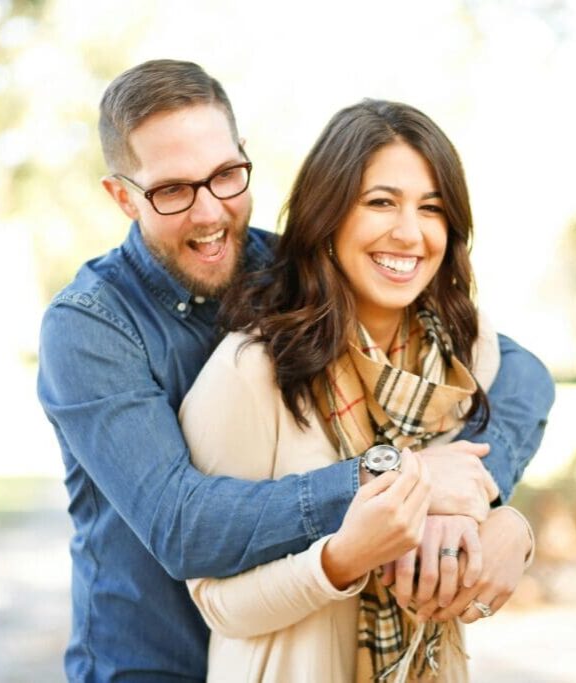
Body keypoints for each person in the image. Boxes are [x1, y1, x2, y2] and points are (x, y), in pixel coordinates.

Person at [36, 59, 555, 683]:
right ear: (122, 195)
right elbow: (183, 524)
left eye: (226, 175)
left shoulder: (296, 272)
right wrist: (393, 481)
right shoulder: (91, 325)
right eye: (172, 190)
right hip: (150, 663)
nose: (209, 214)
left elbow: (520, 373)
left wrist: (477, 501)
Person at [179, 99, 532, 682]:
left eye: (432, 208)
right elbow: (216, 600)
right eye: (381, 203)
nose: (409, 232)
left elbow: (470, 488)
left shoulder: (463, 353)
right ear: (329, 217)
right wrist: (344, 558)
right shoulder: (252, 371)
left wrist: (509, 529)